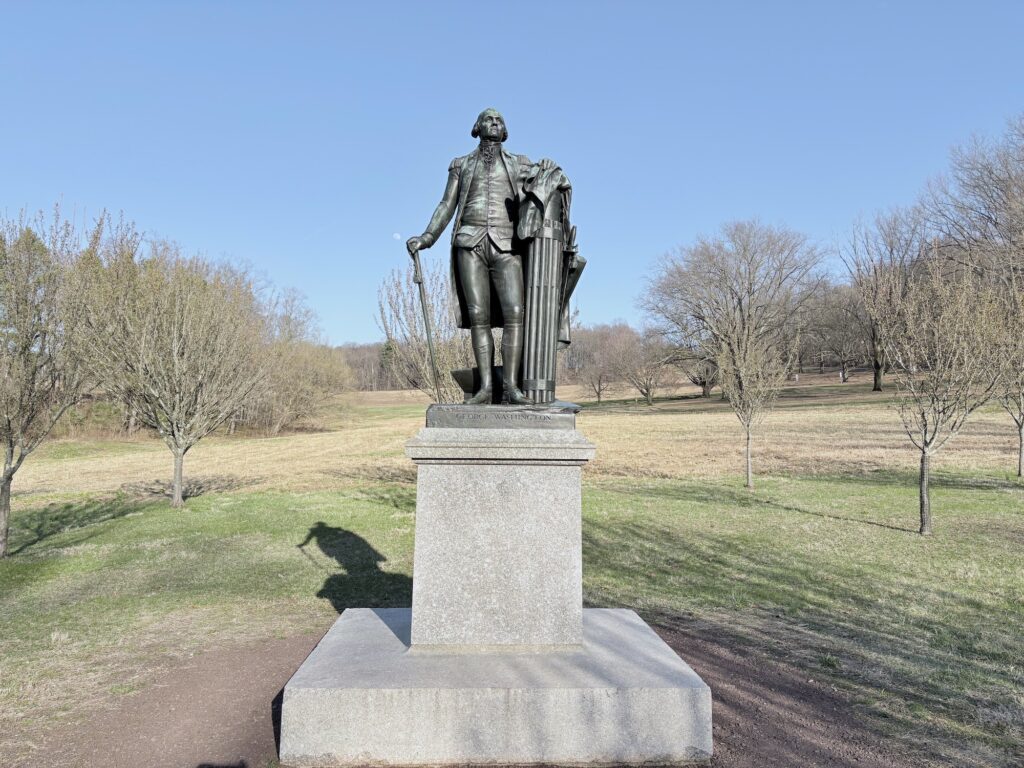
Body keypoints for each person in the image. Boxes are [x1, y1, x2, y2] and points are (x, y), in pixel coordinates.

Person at [406, 108, 553, 405]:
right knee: (478, 316)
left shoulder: (521, 163)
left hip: (508, 245)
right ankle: (486, 388)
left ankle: (511, 387)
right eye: (489, 119)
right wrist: (427, 237)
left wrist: (548, 170)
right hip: (469, 243)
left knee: (515, 313)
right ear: (477, 127)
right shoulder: (461, 164)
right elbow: (446, 205)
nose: (494, 123)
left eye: (499, 120)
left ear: (505, 130)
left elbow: (544, 188)